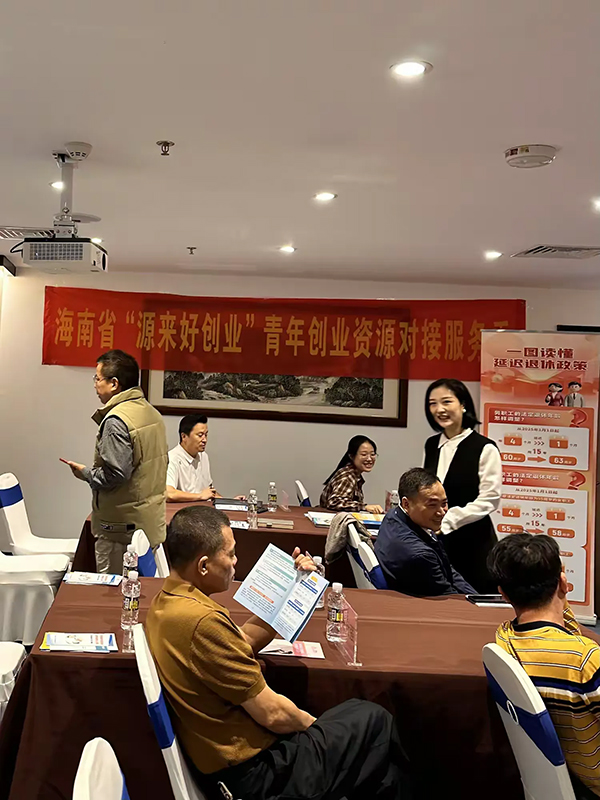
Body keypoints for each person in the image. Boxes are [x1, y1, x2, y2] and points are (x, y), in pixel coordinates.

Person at [146, 505, 413, 800]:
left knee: (365, 737)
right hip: (256, 776)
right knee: (375, 720)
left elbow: (243, 642)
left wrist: (292, 586)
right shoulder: (203, 621)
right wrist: (319, 731)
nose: (236, 561)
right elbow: (273, 714)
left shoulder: (167, 604)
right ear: (204, 566)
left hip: (230, 766)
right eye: (230, 554)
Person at [489, 534, 600, 799]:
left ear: (503, 594)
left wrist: (560, 591)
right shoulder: (584, 661)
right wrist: (560, 585)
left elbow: (562, 632)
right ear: (563, 583)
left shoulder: (505, 639)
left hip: (569, 776)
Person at [62, 349, 168, 573]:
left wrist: (85, 473)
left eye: (97, 378)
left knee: (114, 590)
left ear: (114, 384)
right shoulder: (151, 413)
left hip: (120, 530)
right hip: (147, 522)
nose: (95, 385)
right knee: (140, 588)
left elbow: (116, 475)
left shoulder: (116, 421)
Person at [423, 378, 501, 592]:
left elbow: (489, 499)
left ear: (463, 404)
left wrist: (449, 520)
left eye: (446, 402)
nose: (439, 409)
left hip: (473, 544)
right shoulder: (431, 445)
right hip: (438, 543)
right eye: (432, 404)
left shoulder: (484, 448)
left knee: (473, 600)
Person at [375, 468, 474, 596]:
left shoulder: (393, 516)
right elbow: (448, 598)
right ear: (406, 504)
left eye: (444, 503)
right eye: (432, 505)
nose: (442, 512)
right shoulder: (420, 556)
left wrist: (476, 597)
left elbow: (449, 572)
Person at [320, 435, 383, 513]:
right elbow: (334, 502)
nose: (369, 459)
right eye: (364, 454)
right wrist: (365, 507)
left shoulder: (354, 474)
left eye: (372, 454)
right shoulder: (347, 476)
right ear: (351, 456)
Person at [167, 414, 217, 502]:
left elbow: (209, 492)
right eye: (200, 435)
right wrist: (200, 496)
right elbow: (169, 494)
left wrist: (232, 502)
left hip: (203, 507)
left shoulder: (204, 456)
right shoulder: (172, 458)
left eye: (206, 435)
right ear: (184, 437)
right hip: (184, 509)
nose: (204, 440)